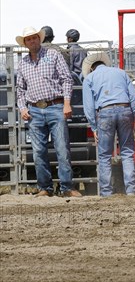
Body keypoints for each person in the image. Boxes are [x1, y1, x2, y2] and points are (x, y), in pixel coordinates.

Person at [15, 26, 82, 197]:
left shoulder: (53, 55)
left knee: (62, 148)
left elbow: (67, 79)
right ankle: (45, 187)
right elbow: (20, 89)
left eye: (34, 38)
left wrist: (67, 103)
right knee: (38, 151)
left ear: (39, 38)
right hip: (34, 109)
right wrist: (22, 108)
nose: (32, 41)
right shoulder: (23, 63)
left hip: (56, 105)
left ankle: (67, 187)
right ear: (25, 43)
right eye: (28, 39)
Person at [82, 52, 135, 197]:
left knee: (104, 155)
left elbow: (88, 106)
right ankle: (131, 190)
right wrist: (133, 118)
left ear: (91, 68)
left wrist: (93, 127)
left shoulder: (89, 79)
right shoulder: (121, 73)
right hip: (125, 108)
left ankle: (106, 192)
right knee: (127, 152)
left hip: (105, 112)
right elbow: (133, 98)